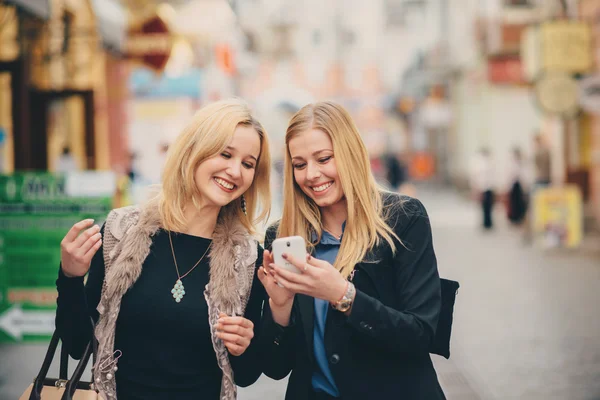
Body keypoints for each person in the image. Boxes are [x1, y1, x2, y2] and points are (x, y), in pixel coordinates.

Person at [56, 99, 271, 400]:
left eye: (248, 164)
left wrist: (244, 344)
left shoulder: (247, 257)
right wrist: (69, 276)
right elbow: (76, 344)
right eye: (225, 154)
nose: (235, 171)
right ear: (193, 151)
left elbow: (247, 375)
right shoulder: (121, 231)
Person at [257, 101, 445, 400]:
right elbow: (276, 367)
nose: (312, 174)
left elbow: (420, 334)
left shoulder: (403, 218)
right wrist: (280, 309)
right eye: (300, 164)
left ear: (350, 153)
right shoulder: (282, 239)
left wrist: (344, 295)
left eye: (324, 158)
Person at [470, 147, 495, 230]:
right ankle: (486, 223)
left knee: (487, 206)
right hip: (484, 187)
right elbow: (476, 176)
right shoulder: (481, 163)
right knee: (485, 206)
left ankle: (488, 222)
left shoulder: (488, 163)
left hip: (486, 187)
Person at [506, 147, 527, 225]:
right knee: (514, 202)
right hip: (514, 184)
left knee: (518, 202)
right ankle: (514, 218)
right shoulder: (513, 163)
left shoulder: (520, 162)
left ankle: (518, 217)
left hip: (518, 184)